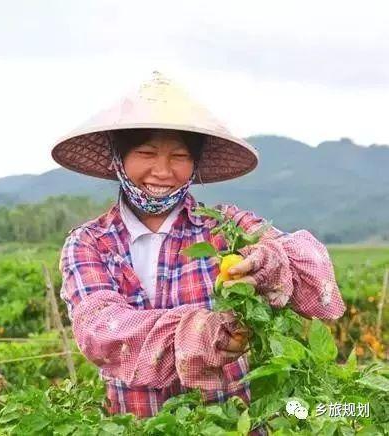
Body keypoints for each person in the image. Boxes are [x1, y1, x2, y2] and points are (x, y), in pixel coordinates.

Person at [51, 72, 346, 418]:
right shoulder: (90, 244)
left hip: (228, 420)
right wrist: (198, 333)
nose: (162, 171)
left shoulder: (226, 227)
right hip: (137, 423)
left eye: (179, 156)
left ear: (194, 163)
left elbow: (308, 265)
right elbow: (100, 330)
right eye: (146, 152)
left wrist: (269, 265)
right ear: (119, 158)